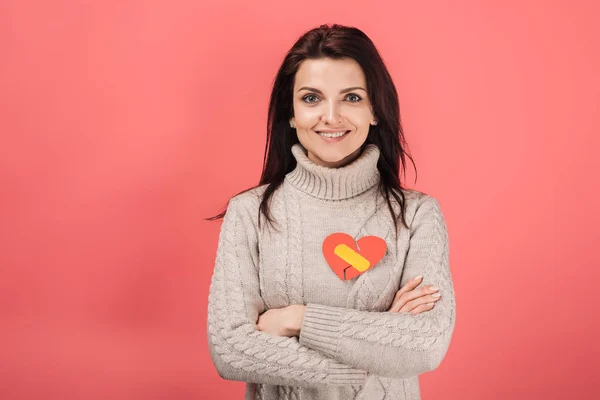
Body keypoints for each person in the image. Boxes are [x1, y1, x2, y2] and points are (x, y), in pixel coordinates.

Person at [206, 23, 456, 400]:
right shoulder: (250, 214)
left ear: (375, 110)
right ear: (290, 114)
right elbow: (230, 349)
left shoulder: (417, 216)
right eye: (311, 98)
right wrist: (381, 345)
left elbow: (425, 345)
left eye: (352, 98)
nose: (332, 116)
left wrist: (296, 320)